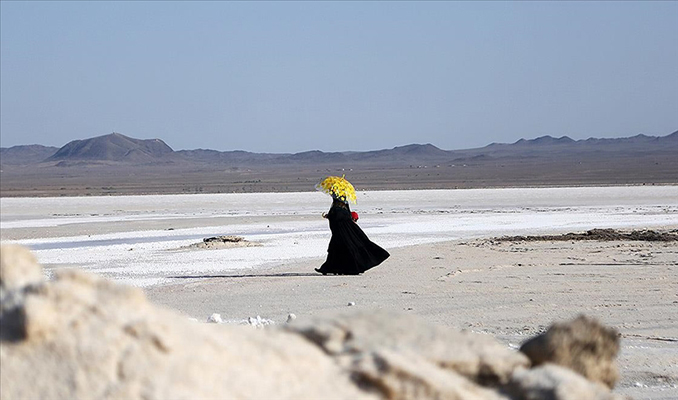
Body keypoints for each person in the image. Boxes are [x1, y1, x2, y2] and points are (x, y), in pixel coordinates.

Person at [315, 198, 390, 275]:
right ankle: (333, 269)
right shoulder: (342, 209)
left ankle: (335, 269)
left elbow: (338, 218)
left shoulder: (338, 210)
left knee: (338, 252)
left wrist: (330, 216)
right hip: (342, 235)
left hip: (342, 235)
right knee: (337, 252)